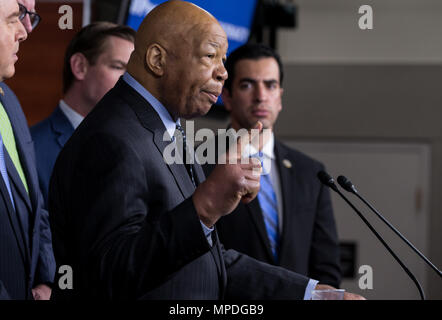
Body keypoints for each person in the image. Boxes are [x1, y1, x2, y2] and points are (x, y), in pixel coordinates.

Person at [48, 0, 362, 300]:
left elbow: (207, 261)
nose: (223, 72)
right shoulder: (111, 138)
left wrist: (310, 294)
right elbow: (109, 274)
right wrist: (207, 204)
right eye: (210, 56)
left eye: (224, 60)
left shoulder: (164, 128)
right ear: (158, 60)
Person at [206, 43, 342, 287]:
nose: (260, 96)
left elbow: (326, 268)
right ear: (227, 97)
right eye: (247, 85)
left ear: (279, 97)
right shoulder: (201, 162)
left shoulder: (312, 173)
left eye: (270, 85)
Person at [31, 22, 135, 202]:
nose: (130, 82)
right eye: (118, 67)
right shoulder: (32, 149)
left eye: (133, 73)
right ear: (79, 66)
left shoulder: (134, 146)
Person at [0, 0, 55, 299]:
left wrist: (46, 279)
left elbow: (34, 204)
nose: (25, 32)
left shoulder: (8, 101)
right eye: (14, 18)